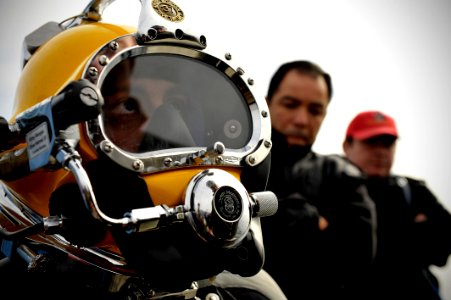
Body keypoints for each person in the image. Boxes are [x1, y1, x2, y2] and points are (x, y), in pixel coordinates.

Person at [260, 60, 377, 299]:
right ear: (266, 103)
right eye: (290, 104)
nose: (302, 120)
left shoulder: (341, 176)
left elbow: (358, 258)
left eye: (315, 110)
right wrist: (313, 223)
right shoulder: (230, 162)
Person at [342, 110, 451, 300]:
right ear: (347, 145)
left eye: (387, 144)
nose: (380, 151)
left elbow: (442, 249)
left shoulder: (414, 190)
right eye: (370, 142)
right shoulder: (328, 188)